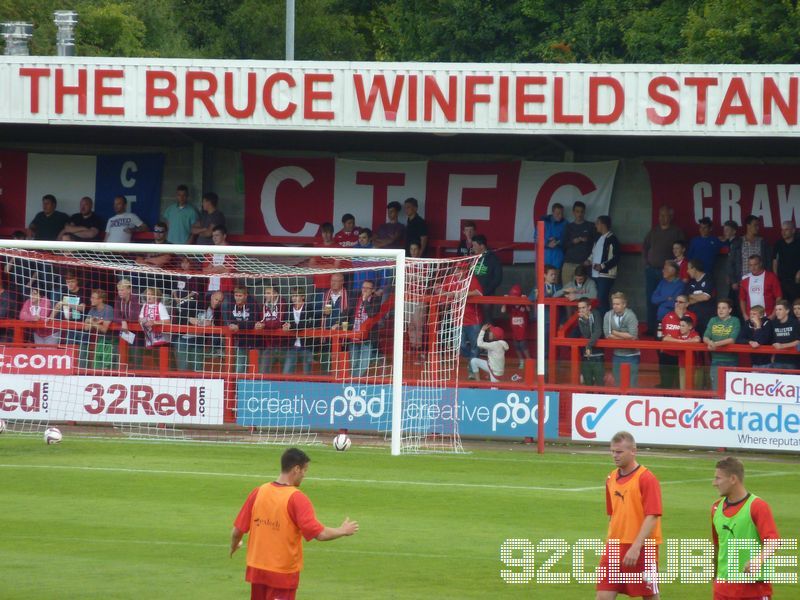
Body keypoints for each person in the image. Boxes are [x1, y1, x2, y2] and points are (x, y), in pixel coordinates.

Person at [230, 448, 358, 600]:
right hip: (282, 574)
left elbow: (237, 531)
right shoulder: (297, 498)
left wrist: (234, 545)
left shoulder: (259, 492)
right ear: (296, 469)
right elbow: (320, 534)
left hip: (257, 570)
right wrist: (342, 530)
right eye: (305, 470)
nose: (305, 474)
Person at [596, 431, 662, 600]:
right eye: (612, 451)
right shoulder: (610, 478)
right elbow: (613, 514)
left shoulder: (646, 478)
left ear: (633, 451)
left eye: (619, 452)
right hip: (615, 546)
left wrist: (636, 546)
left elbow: (653, 515)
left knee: (649, 596)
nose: (614, 456)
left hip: (642, 548)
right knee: (603, 596)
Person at [711, 457, 780, 600]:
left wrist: (758, 560)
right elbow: (718, 547)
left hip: (753, 591)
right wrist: (715, 579)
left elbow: (773, 541)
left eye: (718, 478)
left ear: (733, 479)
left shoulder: (757, 506)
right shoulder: (715, 508)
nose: (714, 483)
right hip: (723, 590)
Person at [642, 205, 685, 336]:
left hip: (668, 273)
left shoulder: (676, 231)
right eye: (661, 215)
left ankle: (665, 327)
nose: (663, 218)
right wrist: (646, 263)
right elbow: (645, 247)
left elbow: (682, 249)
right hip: (652, 270)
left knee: (668, 300)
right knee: (651, 299)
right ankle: (651, 328)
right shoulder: (653, 231)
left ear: (670, 217)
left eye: (666, 215)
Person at [728, 215, 771, 316]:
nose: (757, 228)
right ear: (748, 226)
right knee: (741, 307)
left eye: (758, 225)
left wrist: (768, 278)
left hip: (759, 281)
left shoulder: (762, 242)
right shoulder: (738, 242)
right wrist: (734, 280)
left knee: (759, 306)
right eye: (755, 225)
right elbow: (731, 263)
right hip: (742, 281)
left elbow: (768, 262)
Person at [658, 295, 696, 389]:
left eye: (680, 302)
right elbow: (664, 337)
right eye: (676, 301)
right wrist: (680, 341)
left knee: (682, 386)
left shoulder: (691, 316)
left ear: (687, 304)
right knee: (667, 385)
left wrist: (680, 316)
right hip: (668, 354)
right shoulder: (667, 316)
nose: (677, 303)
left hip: (683, 355)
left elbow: (690, 334)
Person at [603, 292, 640, 387]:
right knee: (618, 382)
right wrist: (625, 336)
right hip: (617, 354)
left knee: (632, 383)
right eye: (614, 304)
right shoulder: (608, 315)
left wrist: (615, 333)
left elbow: (633, 336)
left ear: (624, 304)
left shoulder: (630, 315)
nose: (615, 306)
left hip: (632, 355)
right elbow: (607, 334)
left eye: (618, 304)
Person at [704, 299, 741, 391]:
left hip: (731, 361)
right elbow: (705, 337)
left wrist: (715, 344)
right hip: (716, 360)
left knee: (730, 390)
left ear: (730, 310)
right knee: (716, 389)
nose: (720, 310)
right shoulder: (713, 320)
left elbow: (732, 340)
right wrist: (709, 342)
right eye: (719, 308)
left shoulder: (735, 320)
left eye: (724, 308)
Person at [349, 279, 382, 377]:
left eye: (368, 288)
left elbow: (372, 313)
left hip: (367, 338)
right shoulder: (355, 298)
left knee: (363, 365)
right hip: (353, 336)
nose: (365, 290)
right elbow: (347, 312)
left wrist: (365, 300)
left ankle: (354, 383)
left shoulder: (376, 300)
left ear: (373, 290)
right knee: (353, 363)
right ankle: (353, 382)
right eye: (363, 288)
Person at [591, 215, 620, 316]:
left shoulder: (612, 239)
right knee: (597, 301)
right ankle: (599, 326)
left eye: (597, 223)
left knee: (602, 301)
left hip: (606, 275)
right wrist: (588, 260)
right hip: (595, 275)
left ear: (603, 224)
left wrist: (602, 266)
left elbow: (616, 258)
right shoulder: (598, 238)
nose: (596, 226)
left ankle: (605, 327)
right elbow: (594, 253)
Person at [562, 200, 595, 288]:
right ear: (573, 212)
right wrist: (573, 241)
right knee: (567, 290)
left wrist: (590, 259)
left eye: (581, 212)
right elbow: (563, 245)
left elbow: (596, 245)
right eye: (577, 211)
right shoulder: (569, 227)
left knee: (582, 291)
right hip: (569, 263)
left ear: (584, 212)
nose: (579, 214)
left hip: (583, 264)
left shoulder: (591, 226)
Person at [283, 288, 315, 374]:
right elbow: (286, 321)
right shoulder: (289, 308)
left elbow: (305, 325)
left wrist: (291, 326)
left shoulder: (309, 308)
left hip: (306, 345)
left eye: (296, 296)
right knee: (286, 372)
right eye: (293, 296)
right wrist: (286, 326)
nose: (294, 298)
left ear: (303, 297)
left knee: (307, 373)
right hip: (292, 345)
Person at [739, 254, 782, 318]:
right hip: (751, 317)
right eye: (750, 265)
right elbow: (742, 299)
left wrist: (773, 314)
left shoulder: (771, 277)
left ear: (760, 264)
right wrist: (745, 315)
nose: (753, 267)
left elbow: (778, 297)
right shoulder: (745, 280)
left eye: (755, 264)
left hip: (768, 315)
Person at [113, 278, 142, 369]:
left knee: (136, 355)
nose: (120, 292)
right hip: (125, 331)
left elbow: (135, 316)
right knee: (120, 352)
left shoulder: (136, 299)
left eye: (122, 290)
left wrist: (124, 320)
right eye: (119, 290)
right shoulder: (118, 300)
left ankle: (138, 374)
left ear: (129, 290)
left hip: (138, 333)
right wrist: (123, 321)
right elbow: (115, 316)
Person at [255, 286, 286, 374]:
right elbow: (262, 319)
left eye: (268, 293)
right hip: (269, 345)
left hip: (283, 347)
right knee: (262, 372)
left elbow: (280, 322)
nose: (266, 295)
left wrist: (264, 325)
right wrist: (258, 324)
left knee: (286, 375)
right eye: (265, 293)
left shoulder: (282, 304)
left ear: (276, 294)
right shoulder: (265, 305)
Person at [500, 284, 531, 370]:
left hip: (523, 330)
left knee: (523, 345)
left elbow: (529, 309)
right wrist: (505, 301)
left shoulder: (523, 305)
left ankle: (529, 361)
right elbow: (503, 311)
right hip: (515, 331)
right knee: (517, 346)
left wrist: (525, 300)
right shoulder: (511, 306)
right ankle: (521, 361)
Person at [575, 297, 604, 386]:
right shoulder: (580, 319)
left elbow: (598, 331)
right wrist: (585, 320)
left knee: (600, 384)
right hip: (586, 356)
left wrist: (588, 346)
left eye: (583, 307)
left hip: (598, 355)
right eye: (579, 308)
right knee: (587, 384)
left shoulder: (596, 314)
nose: (581, 310)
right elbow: (586, 334)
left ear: (589, 307)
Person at [84, 289, 115, 370]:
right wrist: (97, 322)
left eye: (93, 298)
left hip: (110, 341)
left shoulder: (108, 309)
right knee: (96, 366)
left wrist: (92, 322)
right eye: (91, 297)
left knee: (106, 367)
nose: (91, 299)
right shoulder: (92, 310)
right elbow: (86, 327)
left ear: (100, 300)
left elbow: (104, 329)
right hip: (98, 341)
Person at [767, 298, 800, 370]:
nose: (777, 312)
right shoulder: (773, 324)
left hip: (792, 362)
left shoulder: (795, 323)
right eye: (776, 310)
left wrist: (782, 346)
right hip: (777, 360)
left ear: (787, 311)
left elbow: (798, 341)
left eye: (780, 309)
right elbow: (771, 340)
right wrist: (773, 355)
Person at [650, 260, 685, 328]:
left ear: (673, 270)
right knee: (658, 338)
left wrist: (661, 302)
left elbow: (675, 304)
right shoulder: (662, 283)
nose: (663, 271)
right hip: (660, 319)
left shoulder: (680, 285)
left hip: (673, 321)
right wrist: (666, 298)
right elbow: (653, 299)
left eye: (666, 269)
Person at [685, 259, 715, 336]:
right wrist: (699, 296)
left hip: (707, 318)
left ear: (694, 269)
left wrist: (692, 296)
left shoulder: (708, 279)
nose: (687, 271)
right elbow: (687, 300)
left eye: (689, 268)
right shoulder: (691, 282)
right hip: (693, 319)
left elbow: (706, 297)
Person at [772, 220, 800, 302]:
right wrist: (775, 278)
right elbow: (775, 261)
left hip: (796, 280)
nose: (783, 232)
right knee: (783, 304)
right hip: (782, 281)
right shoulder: (778, 244)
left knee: (796, 304)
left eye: (786, 230)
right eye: (782, 230)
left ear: (793, 230)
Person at [138, 287, 171, 351]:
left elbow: (167, 321)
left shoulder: (160, 306)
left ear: (156, 296)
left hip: (161, 340)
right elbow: (140, 319)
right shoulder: (145, 305)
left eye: (151, 294)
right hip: (149, 340)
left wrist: (154, 322)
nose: (149, 296)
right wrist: (145, 321)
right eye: (148, 294)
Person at [539, 203, 567, 275]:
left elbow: (567, 239)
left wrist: (558, 240)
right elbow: (537, 238)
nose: (560, 215)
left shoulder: (565, 223)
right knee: (543, 283)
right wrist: (547, 243)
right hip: (545, 258)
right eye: (558, 213)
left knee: (556, 281)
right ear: (552, 212)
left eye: (561, 213)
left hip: (558, 258)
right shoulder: (543, 222)